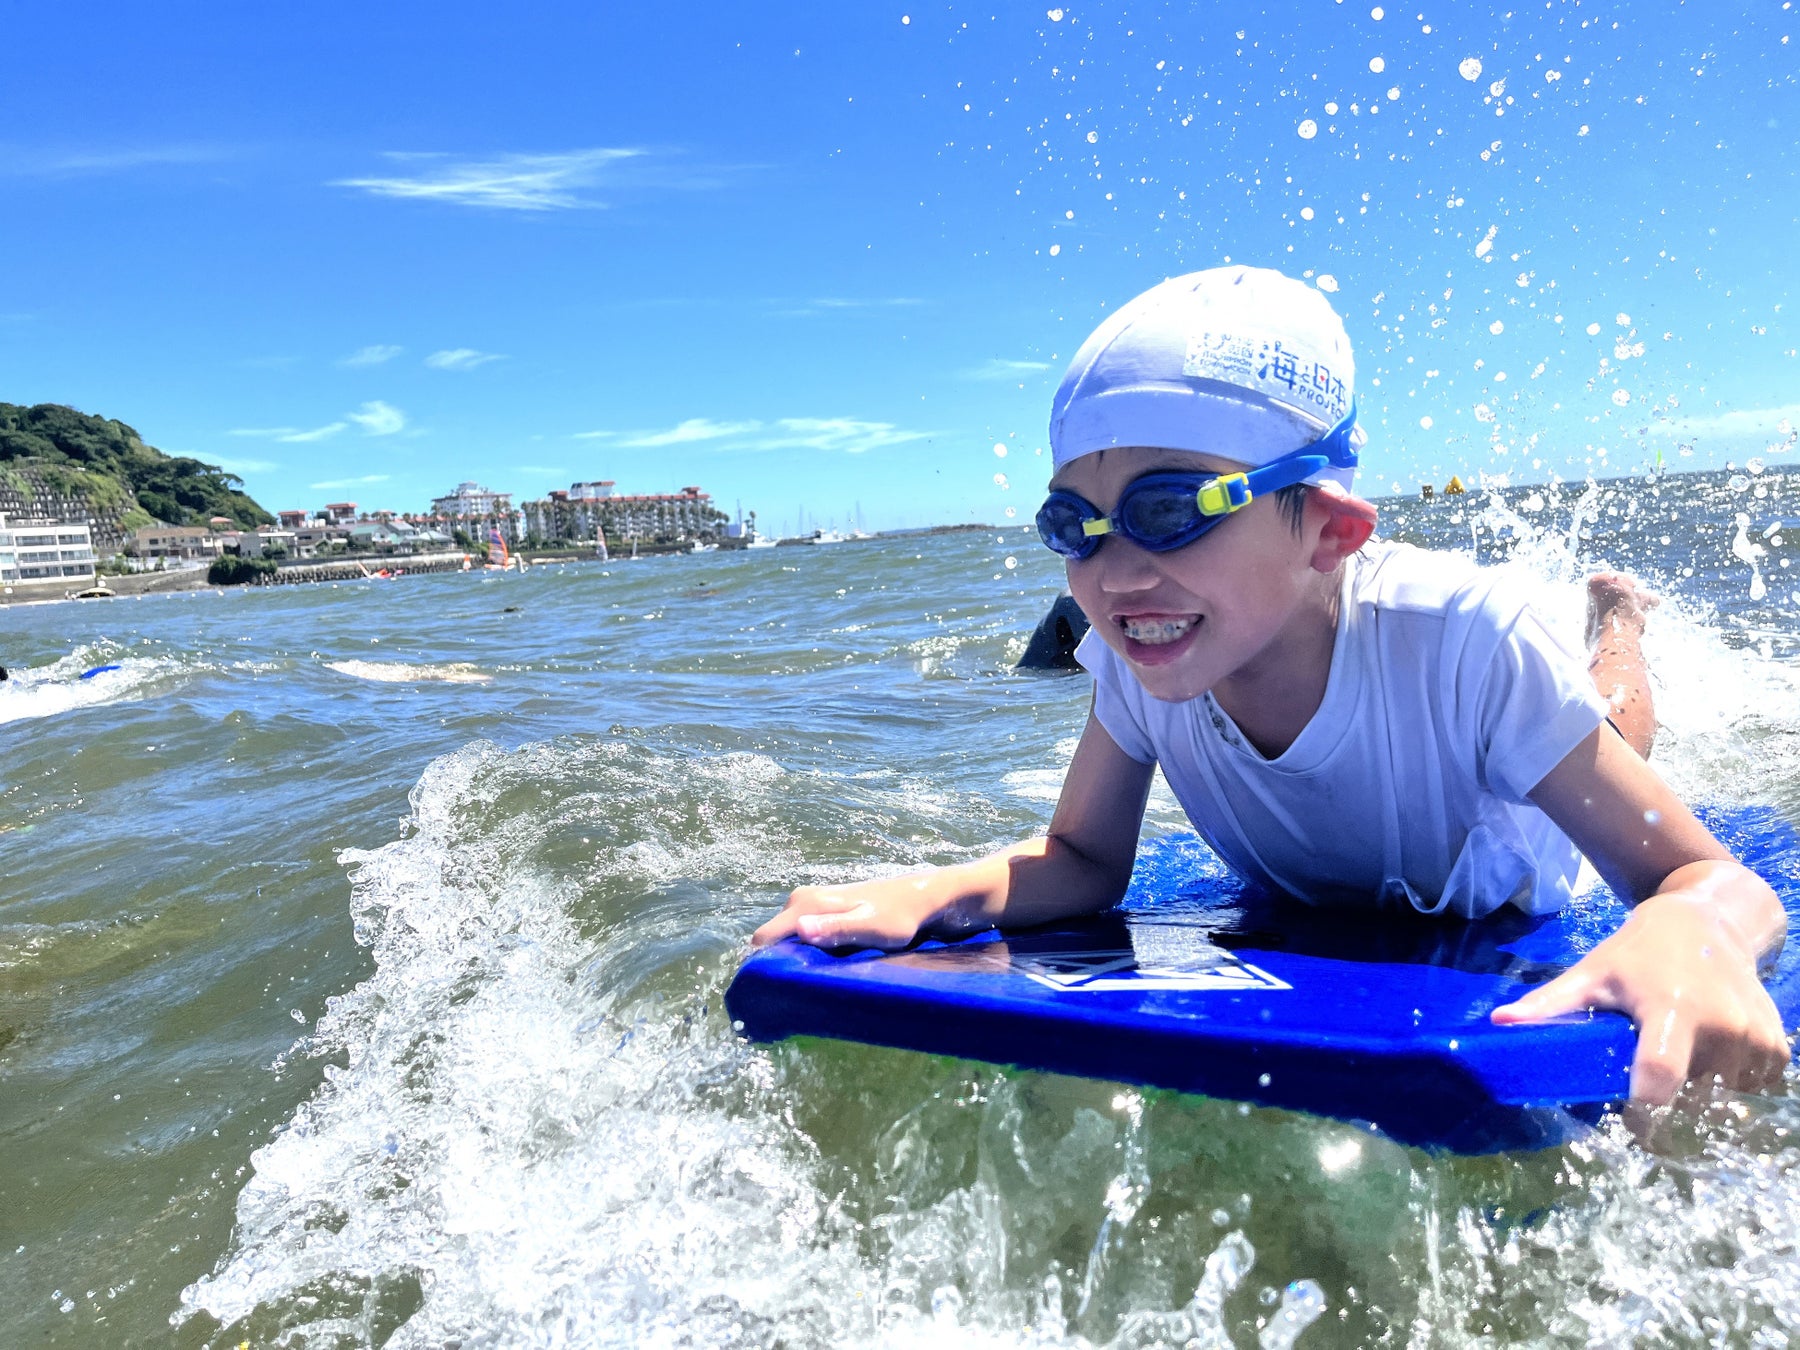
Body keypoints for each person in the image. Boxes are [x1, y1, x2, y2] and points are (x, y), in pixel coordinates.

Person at [753, 266, 1789, 1109]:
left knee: (1616, 721)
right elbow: (1079, 857)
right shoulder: (1138, 659)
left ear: (1331, 531)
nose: (1113, 576)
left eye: (1167, 512)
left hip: (1516, 833)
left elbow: (1712, 880)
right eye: (1074, 525)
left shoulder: (1466, 641)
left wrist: (1686, 929)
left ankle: (1620, 621)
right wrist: (937, 893)